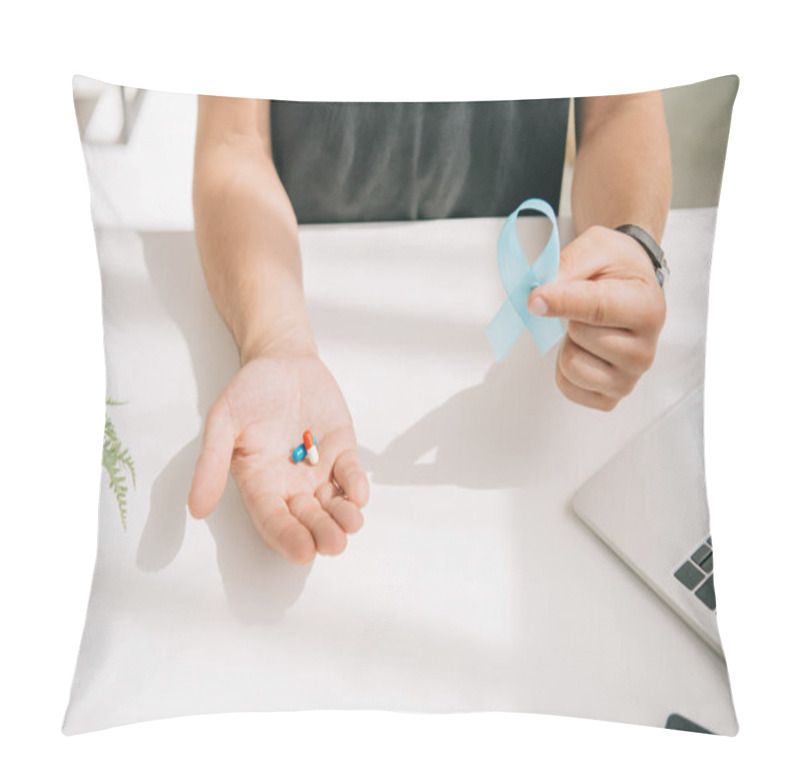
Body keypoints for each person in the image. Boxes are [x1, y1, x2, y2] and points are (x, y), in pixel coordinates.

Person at [188, 94, 671, 564]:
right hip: (305, 279)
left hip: (516, 328)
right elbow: (235, 138)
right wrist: (276, 337)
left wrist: (628, 246)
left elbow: (620, 106)